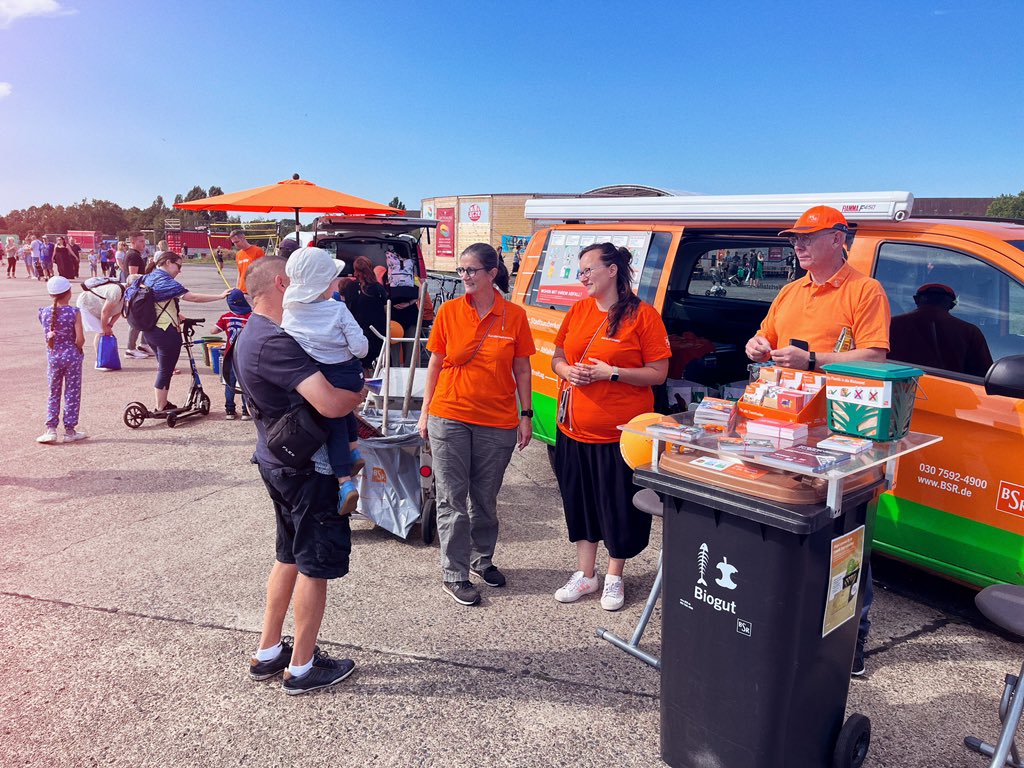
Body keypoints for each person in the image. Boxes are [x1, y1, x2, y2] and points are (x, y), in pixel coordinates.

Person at [744, 205, 891, 677]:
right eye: (794, 239)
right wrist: (756, 346)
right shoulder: (789, 291)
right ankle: (791, 619)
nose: (799, 245)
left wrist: (813, 360)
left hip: (841, 431)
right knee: (791, 525)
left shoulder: (864, 290)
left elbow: (876, 356)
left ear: (838, 238)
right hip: (784, 427)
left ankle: (853, 636)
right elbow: (763, 336)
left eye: (808, 237)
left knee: (846, 534)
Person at [232, 255, 364, 695]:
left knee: (288, 556)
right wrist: (359, 391)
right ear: (282, 281)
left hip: (276, 461)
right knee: (313, 565)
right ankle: (303, 666)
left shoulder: (251, 334)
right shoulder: (276, 342)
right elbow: (330, 404)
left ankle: (269, 651)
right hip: (308, 470)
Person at [549, 242, 670, 611]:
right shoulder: (578, 311)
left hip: (619, 435)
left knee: (618, 508)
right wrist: (566, 370)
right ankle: (586, 575)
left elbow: (659, 373)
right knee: (581, 504)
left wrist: (611, 373)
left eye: (588, 269)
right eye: (580, 270)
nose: (582, 276)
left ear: (612, 270)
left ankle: (615, 577)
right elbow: (557, 355)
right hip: (573, 430)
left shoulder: (643, 316)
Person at [418, 242, 536, 606]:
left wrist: (526, 414)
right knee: (452, 498)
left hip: (497, 421)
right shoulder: (450, 311)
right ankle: (453, 573)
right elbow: (435, 364)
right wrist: (425, 412)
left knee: (485, 497)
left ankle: (481, 559)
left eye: (471, 270)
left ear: (492, 273)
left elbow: (522, 368)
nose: (465, 277)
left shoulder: (513, 316)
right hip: (450, 415)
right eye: (461, 270)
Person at [281, 247, 368, 515]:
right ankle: (352, 457)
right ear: (322, 283)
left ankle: (344, 482)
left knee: (334, 425)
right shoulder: (337, 309)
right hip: (349, 374)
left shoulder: (290, 312)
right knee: (343, 415)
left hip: (321, 377)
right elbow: (361, 348)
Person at [135, 251, 229, 413]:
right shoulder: (165, 281)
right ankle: (160, 406)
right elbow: (193, 298)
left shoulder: (147, 277)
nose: (180, 270)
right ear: (167, 263)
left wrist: (178, 315)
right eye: (178, 266)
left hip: (150, 331)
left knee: (163, 368)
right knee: (165, 370)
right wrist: (220, 296)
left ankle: (162, 402)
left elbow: (156, 303)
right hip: (165, 332)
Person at [889, 283, 993, 377]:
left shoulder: (891, 324)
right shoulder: (971, 332)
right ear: (952, 305)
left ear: (916, 300)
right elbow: (985, 374)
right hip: (953, 392)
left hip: (901, 388)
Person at [37, 276, 86, 444]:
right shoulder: (74, 312)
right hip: (72, 357)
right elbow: (80, 339)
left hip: (53, 358)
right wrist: (78, 350)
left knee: (54, 392)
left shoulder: (44, 312)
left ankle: (51, 429)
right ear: (69, 293)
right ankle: (70, 431)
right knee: (72, 393)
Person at [342, 255, 389, 373]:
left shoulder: (349, 287)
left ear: (355, 269)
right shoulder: (378, 288)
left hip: (358, 331)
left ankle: (364, 389)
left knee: (361, 365)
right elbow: (386, 310)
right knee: (378, 366)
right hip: (377, 332)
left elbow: (347, 308)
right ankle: (377, 389)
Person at [211, 289, 253, 419]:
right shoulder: (251, 316)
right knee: (245, 383)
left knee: (230, 382)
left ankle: (230, 410)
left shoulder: (226, 317)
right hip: (245, 354)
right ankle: (246, 411)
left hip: (230, 354)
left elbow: (213, 331)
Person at [76, 275, 126, 371]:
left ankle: (105, 360)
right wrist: (105, 328)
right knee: (101, 332)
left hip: (98, 308)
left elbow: (119, 310)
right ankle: (99, 361)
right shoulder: (117, 291)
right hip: (87, 305)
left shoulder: (128, 295)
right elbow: (105, 312)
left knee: (105, 332)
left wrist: (110, 325)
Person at [124, 232, 151, 358]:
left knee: (144, 318)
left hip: (139, 293)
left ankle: (143, 344)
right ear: (133, 242)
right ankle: (130, 349)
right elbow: (133, 277)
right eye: (140, 241)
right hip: (136, 293)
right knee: (136, 320)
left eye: (144, 241)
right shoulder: (133, 256)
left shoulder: (136, 255)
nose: (143, 243)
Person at [229, 229, 265, 294]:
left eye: (237, 242)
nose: (235, 245)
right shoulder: (238, 254)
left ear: (243, 239)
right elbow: (240, 273)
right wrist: (237, 288)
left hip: (253, 291)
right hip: (241, 291)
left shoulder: (257, 251)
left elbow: (262, 271)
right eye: (233, 243)